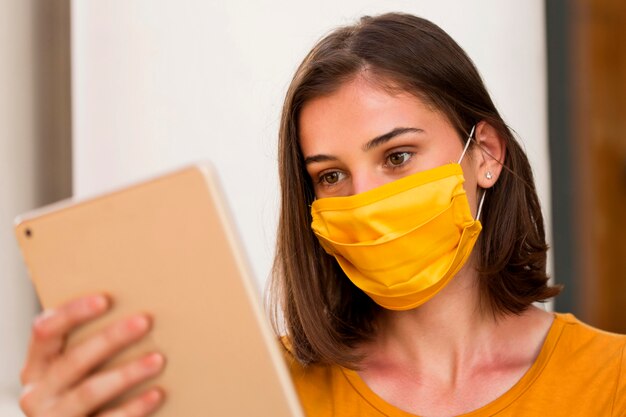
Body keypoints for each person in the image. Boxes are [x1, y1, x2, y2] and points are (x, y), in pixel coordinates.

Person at [18, 12, 625, 417]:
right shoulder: (261, 395)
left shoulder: (612, 382)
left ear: (484, 155)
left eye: (397, 155)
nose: (363, 199)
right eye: (330, 176)